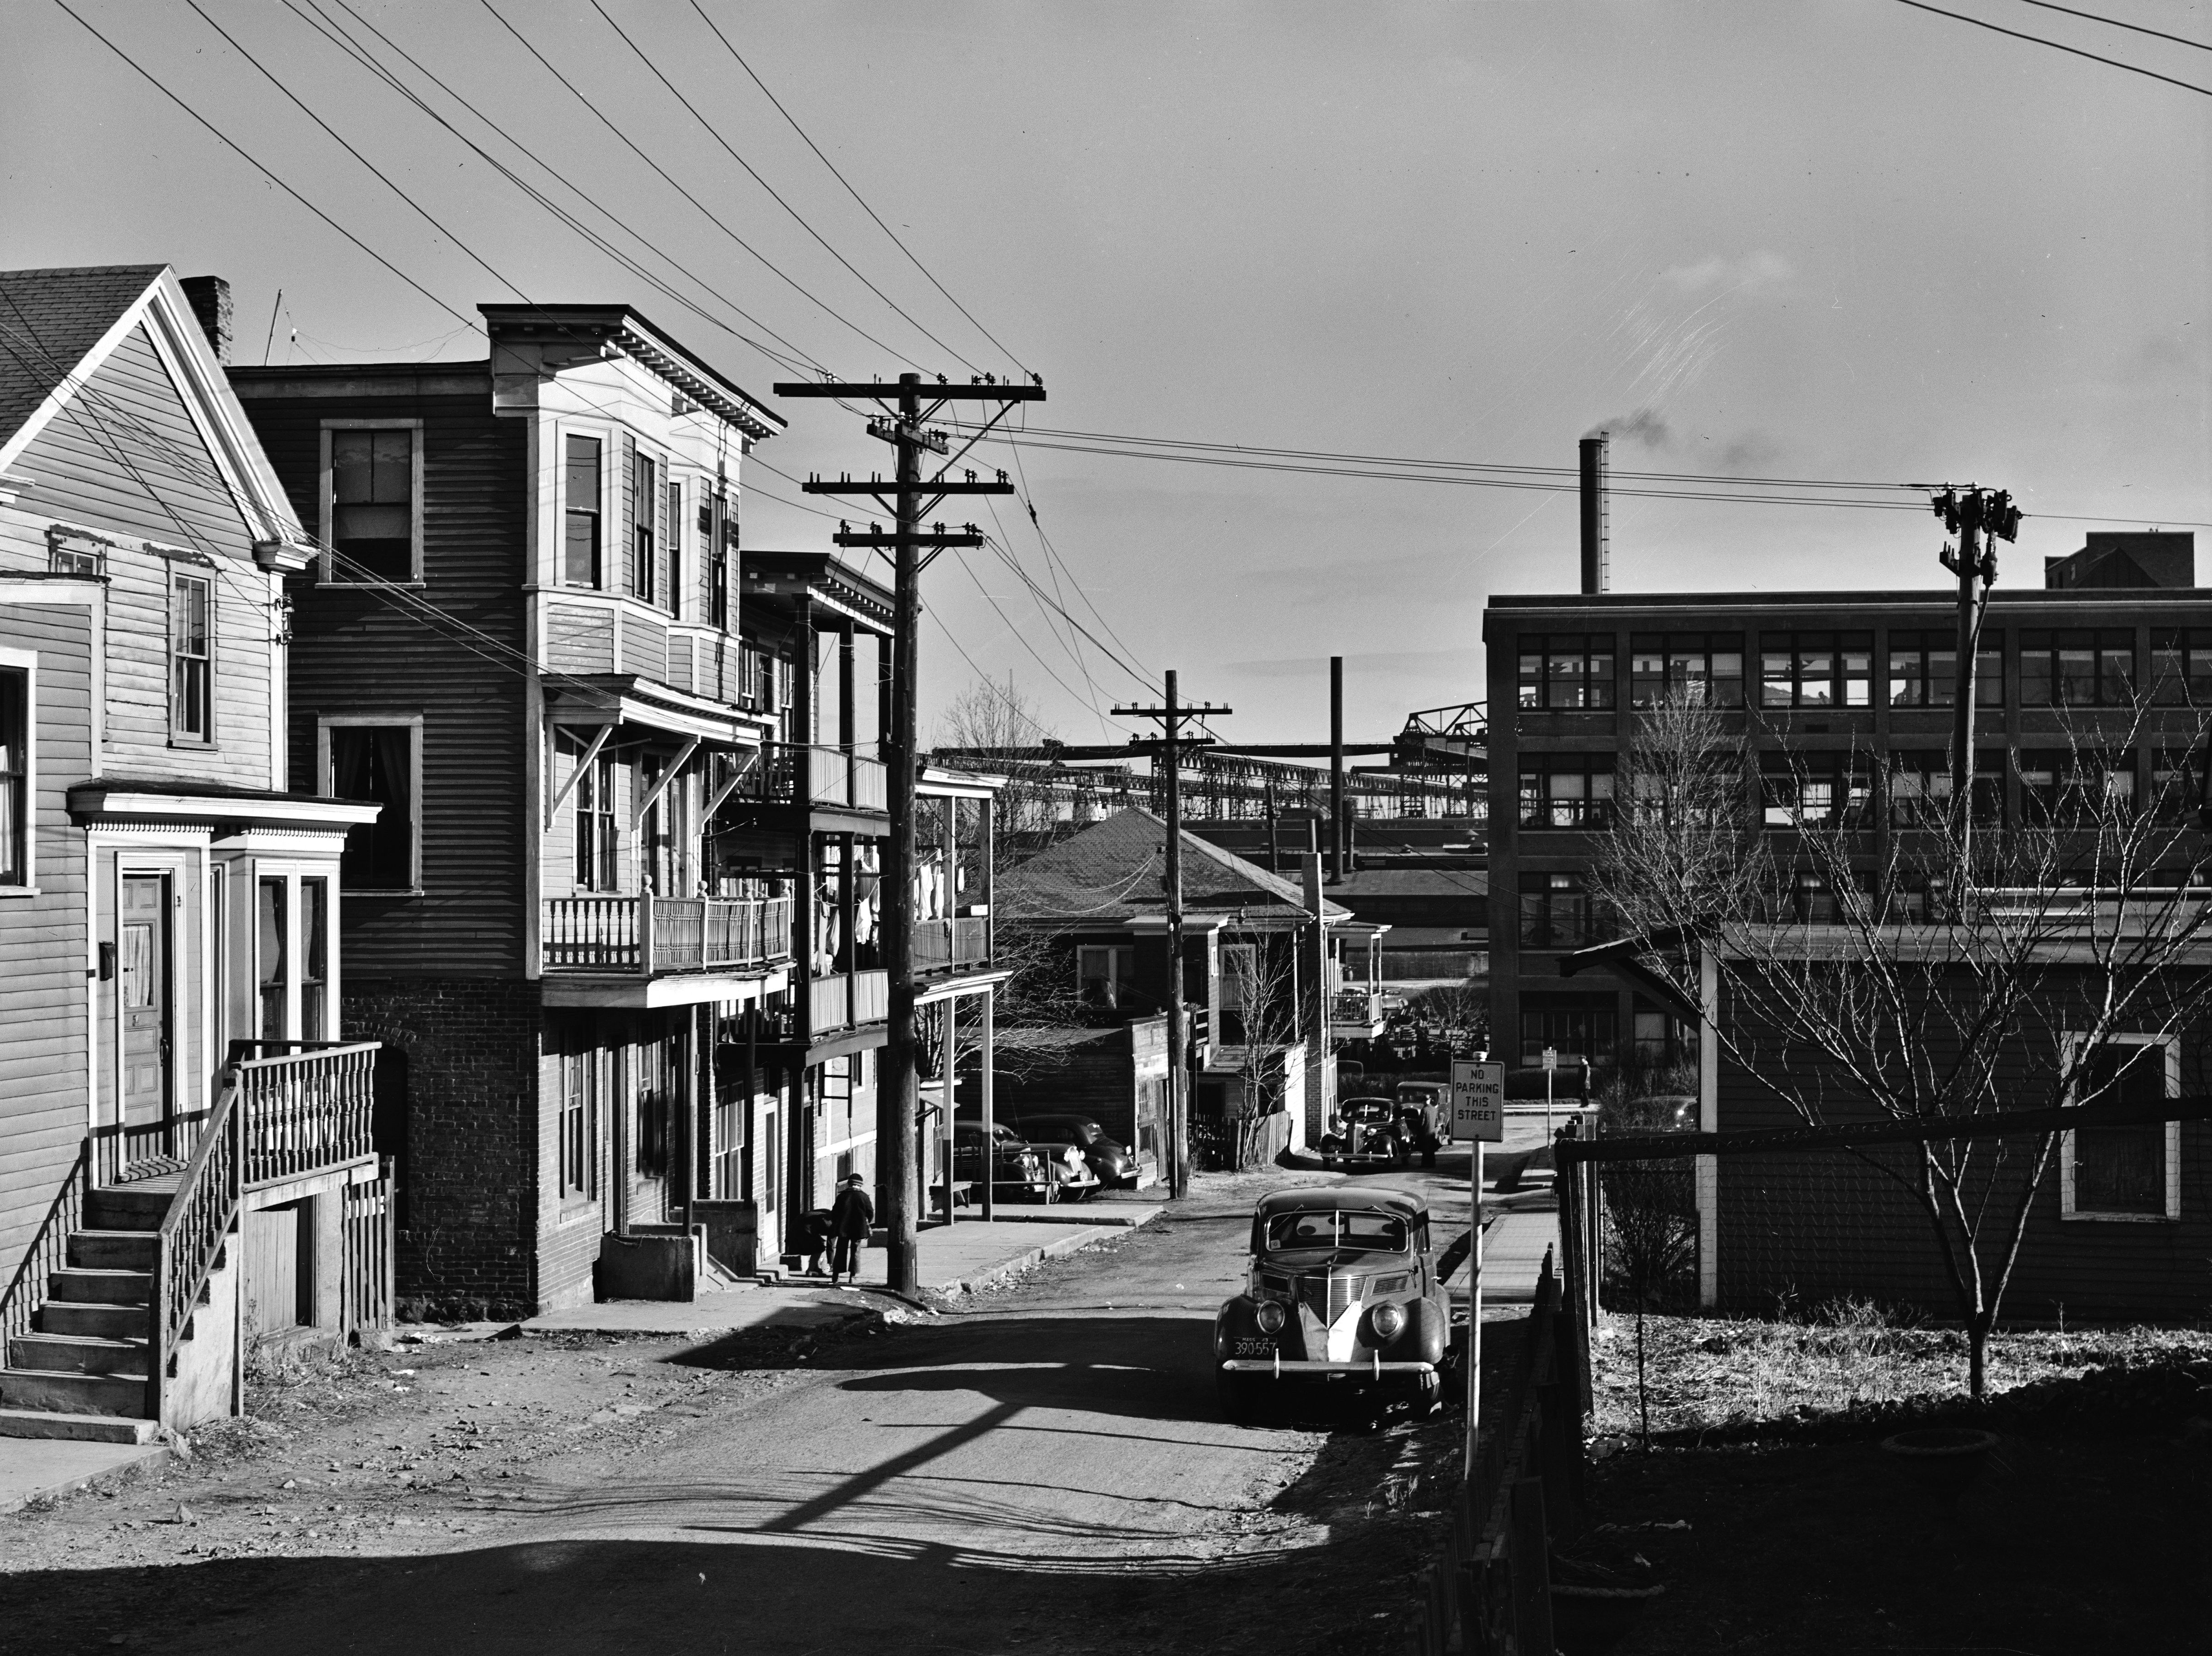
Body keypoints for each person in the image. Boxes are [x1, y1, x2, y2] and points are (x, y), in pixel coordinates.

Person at [827, 1173, 874, 1285]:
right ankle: (852, 1276)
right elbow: (870, 1213)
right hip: (859, 1230)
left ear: (849, 1184)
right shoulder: (864, 1197)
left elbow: (835, 1212)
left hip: (843, 1229)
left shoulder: (842, 1196)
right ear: (860, 1185)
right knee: (856, 1252)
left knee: (840, 1251)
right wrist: (865, 1221)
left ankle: (836, 1276)